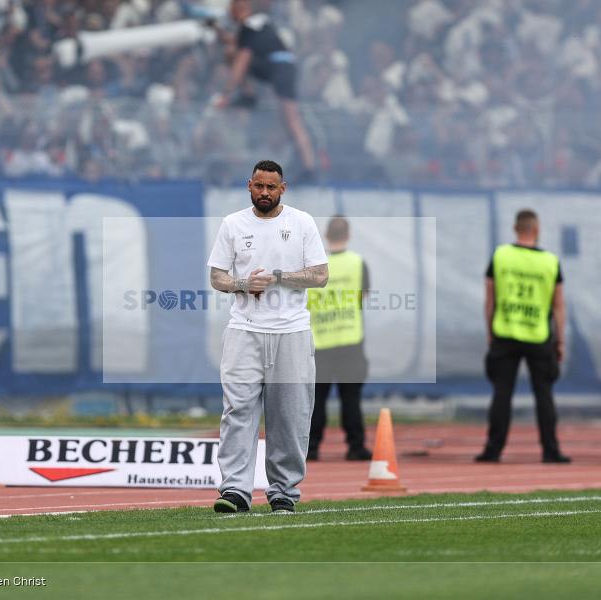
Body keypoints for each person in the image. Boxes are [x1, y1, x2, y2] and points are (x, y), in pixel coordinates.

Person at [207, 159, 328, 513]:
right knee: (238, 411)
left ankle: (283, 492)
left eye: (271, 187)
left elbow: (320, 275)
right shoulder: (233, 224)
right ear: (249, 185)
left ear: (282, 188)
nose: (264, 193)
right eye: (258, 186)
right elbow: (217, 277)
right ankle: (234, 491)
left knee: (289, 416)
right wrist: (244, 284)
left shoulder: (301, 222)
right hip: (244, 330)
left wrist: (277, 277)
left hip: (291, 331)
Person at [476, 209, 571, 464]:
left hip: (505, 332)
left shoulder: (501, 256)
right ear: (536, 230)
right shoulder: (550, 261)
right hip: (538, 335)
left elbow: (489, 299)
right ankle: (550, 450)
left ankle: (493, 450)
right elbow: (558, 305)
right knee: (544, 395)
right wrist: (560, 340)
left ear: (515, 229)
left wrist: (490, 331)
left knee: (502, 393)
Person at [215, 0, 317, 177]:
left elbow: (242, 59)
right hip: (276, 66)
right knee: (231, 52)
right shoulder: (258, 25)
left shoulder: (248, 27)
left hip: (280, 67)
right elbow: (238, 45)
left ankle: (309, 167)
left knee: (291, 117)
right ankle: (249, 94)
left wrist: (226, 93)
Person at [306, 216, 373, 461]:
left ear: (326, 235)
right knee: (351, 398)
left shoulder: (314, 266)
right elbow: (363, 296)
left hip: (320, 340)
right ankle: (356, 447)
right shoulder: (358, 263)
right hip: (350, 339)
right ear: (348, 234)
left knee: (317, 400)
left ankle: (311, 448)